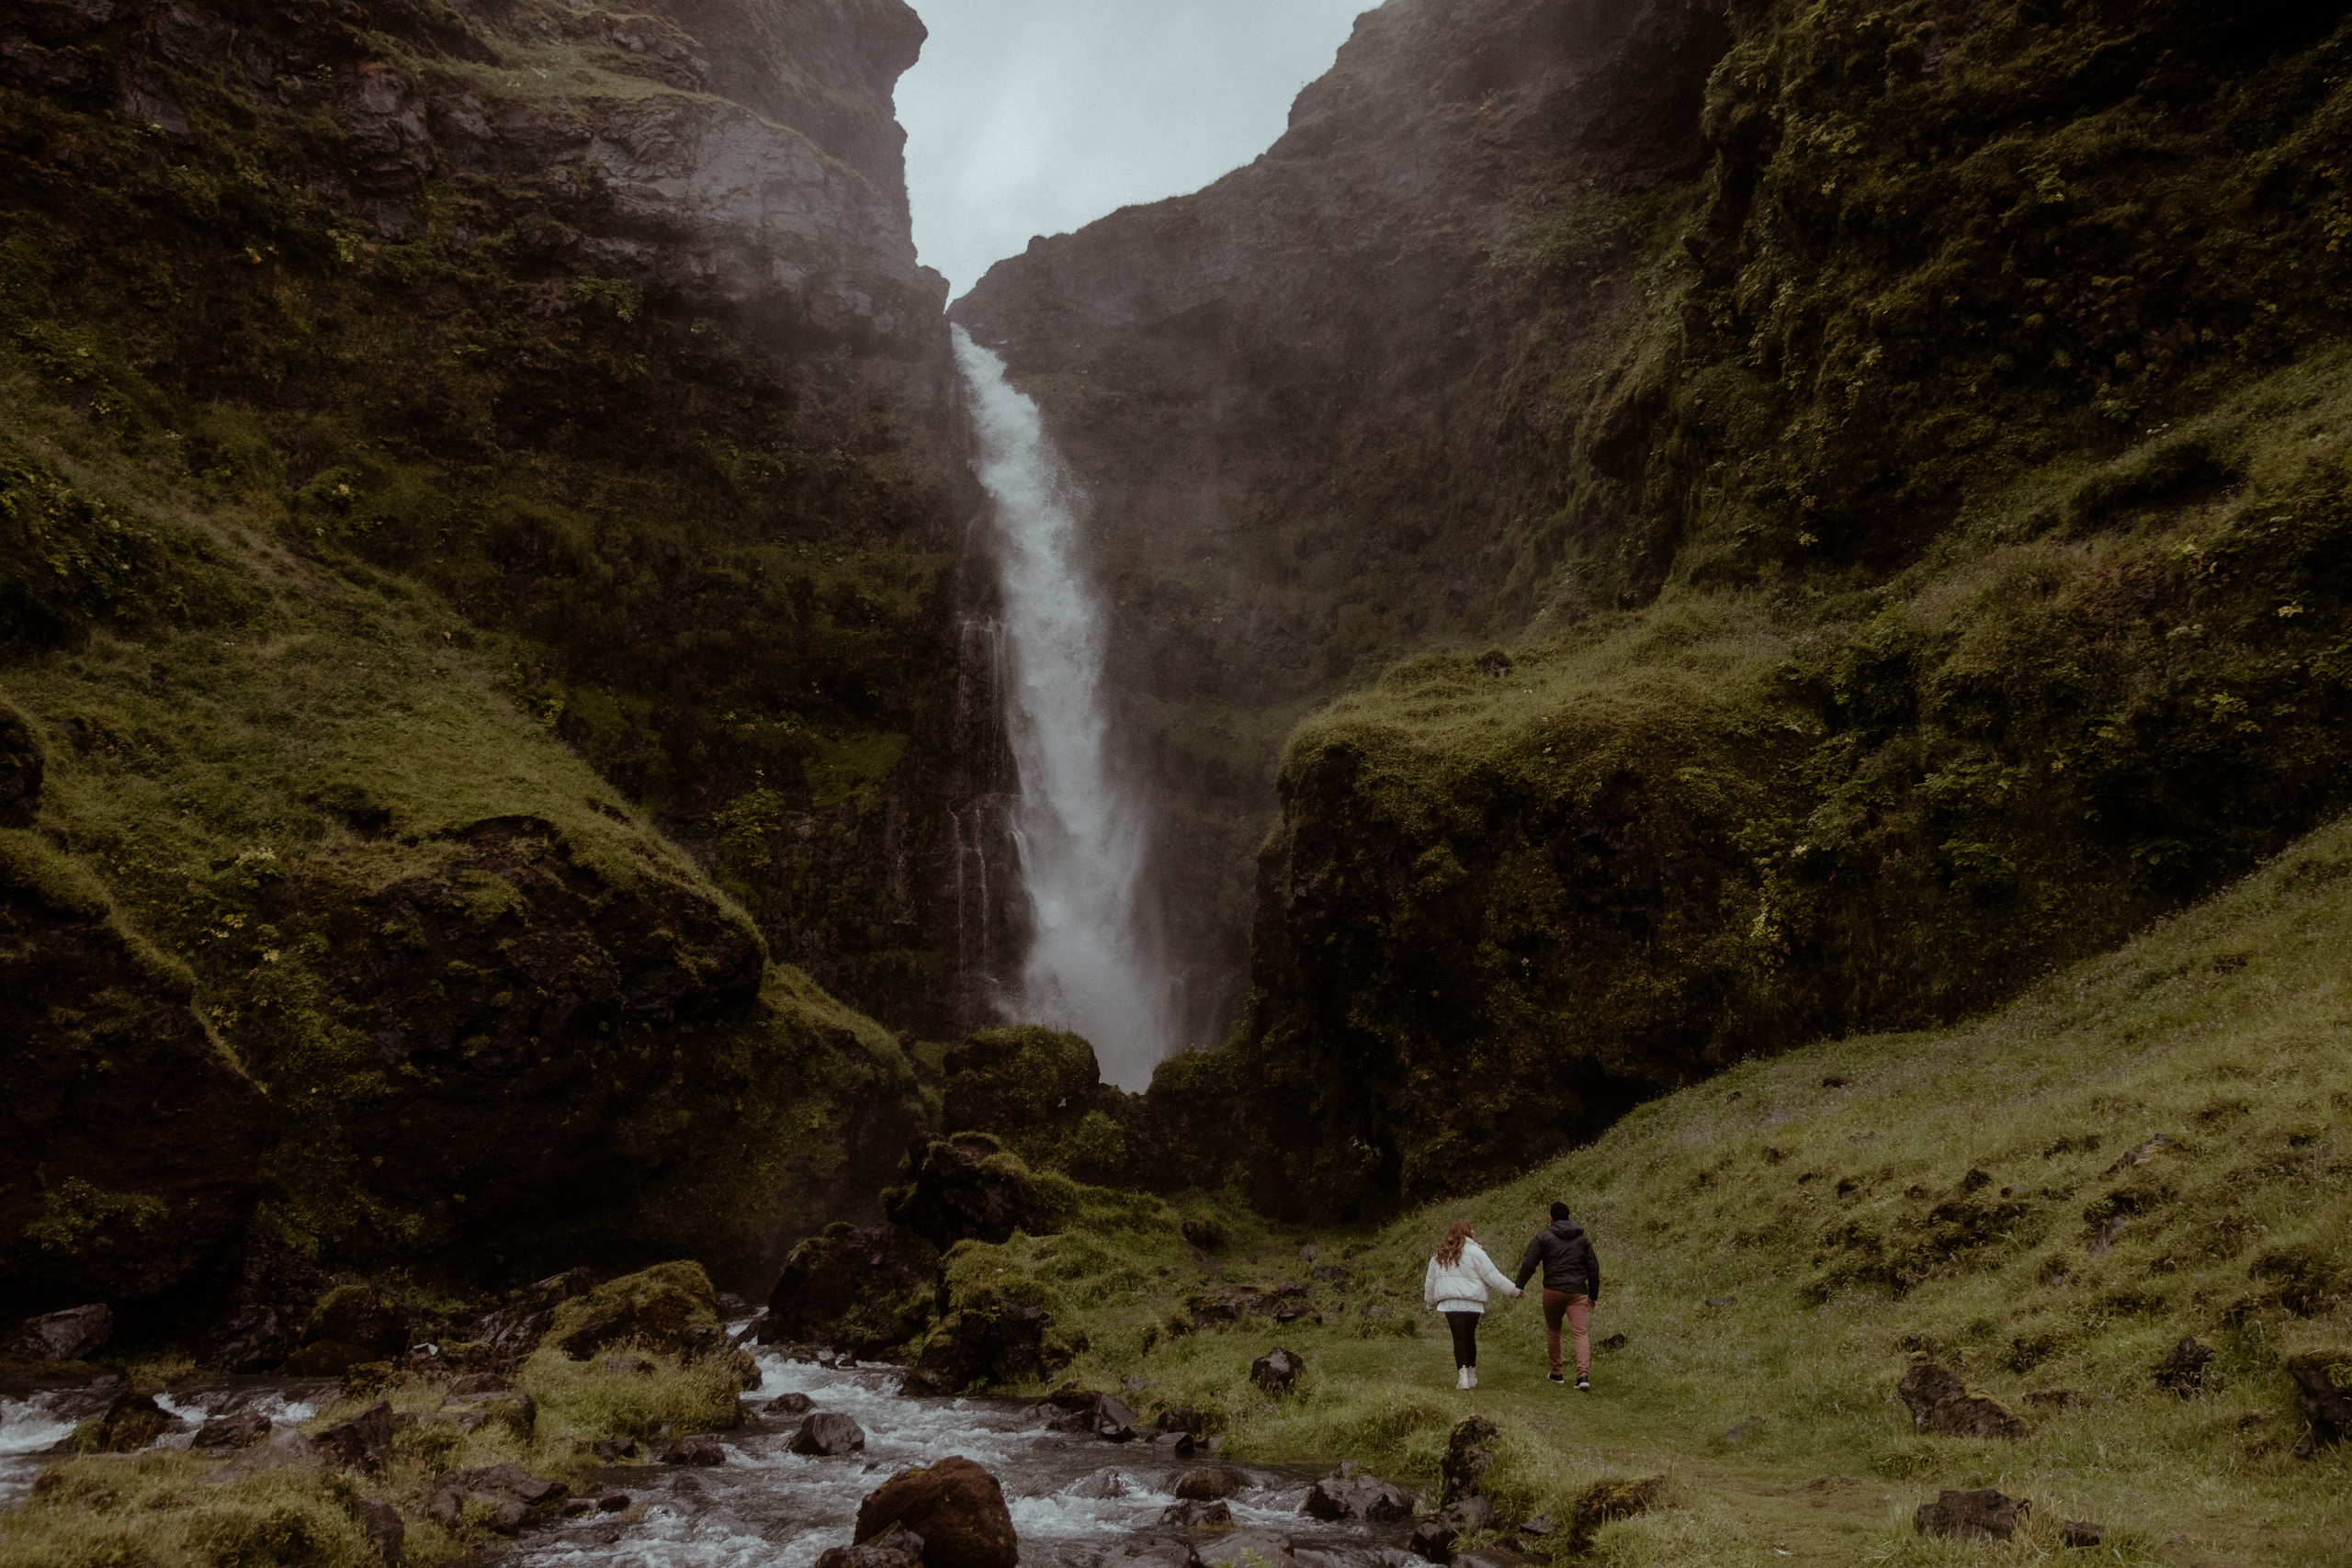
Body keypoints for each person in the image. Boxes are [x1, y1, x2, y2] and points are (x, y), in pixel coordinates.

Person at [1421, 1219, 1522, 1389]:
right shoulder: (1476, 1253)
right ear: (1469, 1232)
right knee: (1470, 1337)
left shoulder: (1440, 1254)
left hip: (1450, 1304)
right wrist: (1514, 1291)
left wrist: (1430, 1303)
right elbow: (1493, 1277)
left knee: (1458, 1338)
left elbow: (1430, 1282)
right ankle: (1472, 1375)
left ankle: (1463, 1379)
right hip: (1473, 1303)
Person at [1515, 1201, 1602, 1390]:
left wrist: (1519, 1286)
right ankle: (1583, 1376)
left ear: (1551, 1218)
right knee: (1580, 1333)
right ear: (1569, 1218)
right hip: (1577, 1293)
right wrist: (1593, 1295)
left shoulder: (1543, 1237)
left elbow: (1529, 1263)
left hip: (1552, 1291)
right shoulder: (1582, 1240)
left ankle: (1557, 1373)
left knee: (1553, 1330)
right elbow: (1593, 1269)